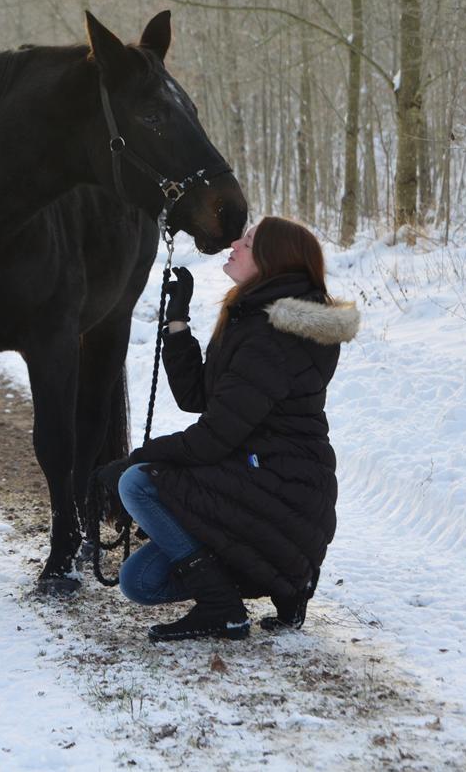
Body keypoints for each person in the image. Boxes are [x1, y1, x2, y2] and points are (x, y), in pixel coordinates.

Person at [98, 216, 359, 642]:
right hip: (259, 483)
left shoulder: (274, 334)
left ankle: (225, 606)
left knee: (138, 485)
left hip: (276, 489)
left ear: (272, 261)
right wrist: (177, 322)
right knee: (139, 581)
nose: (234, 244)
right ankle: (282, 582)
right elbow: (199, 398)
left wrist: (136, 458)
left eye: (249, 242)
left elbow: (215, 436)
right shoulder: (255, 316)